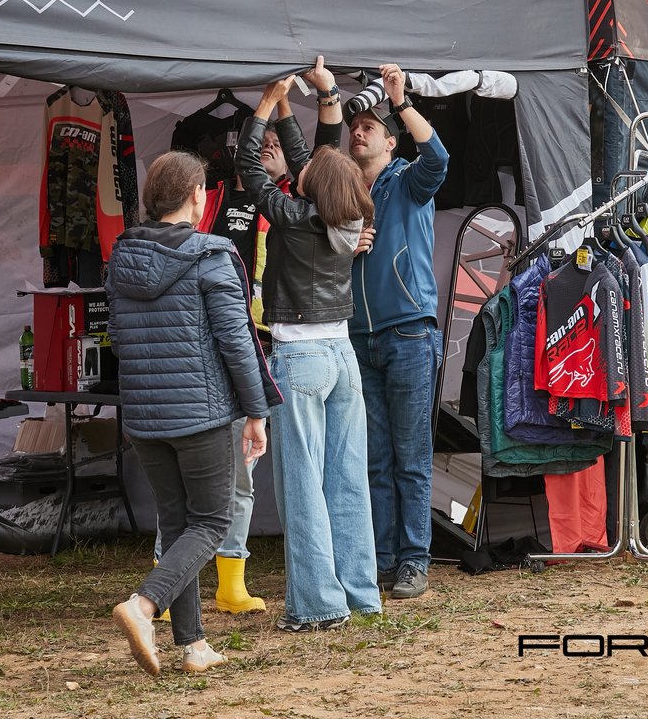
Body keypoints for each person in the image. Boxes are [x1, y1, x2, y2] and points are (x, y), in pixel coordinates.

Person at [107, 151, 280, 676]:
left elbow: (116, 337)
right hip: (199, 414)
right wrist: (256, 411)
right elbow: (238, 341)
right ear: (197, 196)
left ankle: (194, 645)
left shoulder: (122, 255)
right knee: (211, 522)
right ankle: (143, 606)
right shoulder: (212, 254)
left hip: (143, 416)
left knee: (178, 522)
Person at [235, 73, 381, 632]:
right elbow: (311, 163)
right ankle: (360, 592)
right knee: (348, 479)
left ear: (310, 186)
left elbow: (251, 170)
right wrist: (292, 109)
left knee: (303, 485)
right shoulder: (344, 213)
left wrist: (264, 107)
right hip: (342, 355)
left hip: (300, 358)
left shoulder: (294, 217)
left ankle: (318, 605)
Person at [306, 57, 448, 600]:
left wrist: (401, 101)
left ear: (390, 142)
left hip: (409, 331)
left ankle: (414, 560)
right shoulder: (340, 194)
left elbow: (438, 158)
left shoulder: (408, 181)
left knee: (410, 456)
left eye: (368, 127)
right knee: (373, 458)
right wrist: (344, 251)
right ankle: (382, 558)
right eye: (354, 128)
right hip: (357, 338)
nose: (357, 133)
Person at [151, 125, 292, 616]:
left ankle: (231, 584)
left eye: (277, 143)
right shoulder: (206, 203)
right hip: (203, 358)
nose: (267, 147)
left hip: (260, 344)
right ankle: (166, 584)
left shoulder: (288, 205)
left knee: (240, 476)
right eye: (259, 141)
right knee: (182, 483)